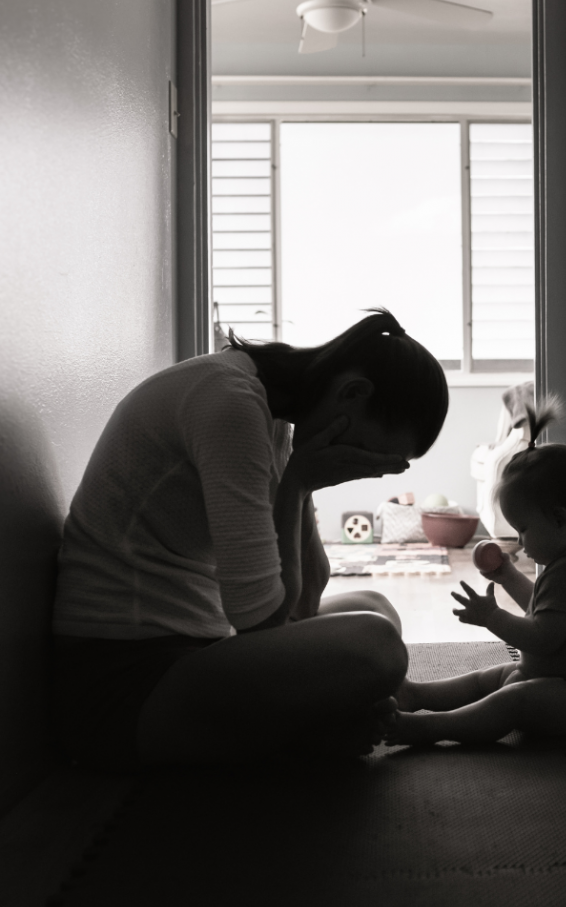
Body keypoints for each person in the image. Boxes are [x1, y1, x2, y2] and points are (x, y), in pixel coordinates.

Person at [50, 309, 448, 770]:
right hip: (121, 688)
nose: (357, 464)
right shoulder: (230, 403)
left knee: (375, 607)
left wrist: (305, 485)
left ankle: (320, 727)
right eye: (366, 451)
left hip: (200, 644)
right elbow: (263, 623)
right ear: (353, 394)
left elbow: (302, 602)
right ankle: (317, 730)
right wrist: (297, 483)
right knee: (373, 644)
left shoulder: (276, 419)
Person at [385, 402, 566, 746]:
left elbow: (542, 638)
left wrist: (492, 617)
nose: (518, 539)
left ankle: (431, 729)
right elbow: (542, 610)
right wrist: (508, 574)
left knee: (512, 700)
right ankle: (418, 696)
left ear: (559, 519)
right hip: (556, 682)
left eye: (523, 529)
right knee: (493, 677)